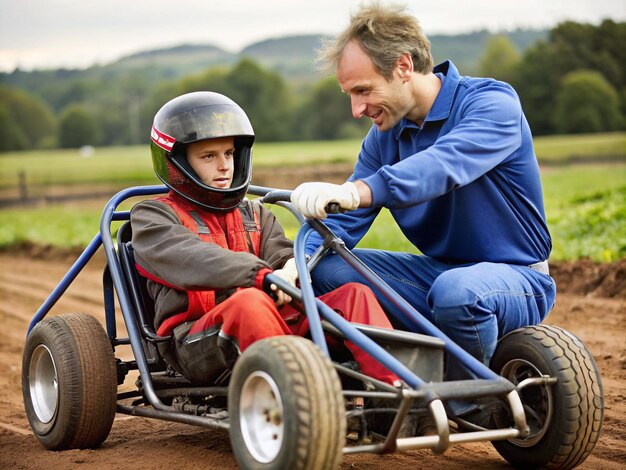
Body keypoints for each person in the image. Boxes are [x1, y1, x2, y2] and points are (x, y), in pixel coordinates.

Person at [290, 2, 556, 421]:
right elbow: (344, 224)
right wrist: (295, 265)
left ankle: (463, 405)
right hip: (437, 275)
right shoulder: (383, 137)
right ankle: (395, 378)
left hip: (516, 277)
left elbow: (442, 166)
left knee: (458, 293)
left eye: (363, 91)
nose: (357, 110)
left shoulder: (491, 103)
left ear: (402, 66)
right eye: (350, 96)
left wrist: (359, 190)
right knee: (325, 270)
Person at [130, 91, 399, 389]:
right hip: (195, 342)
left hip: (269, 327)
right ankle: (305, 398)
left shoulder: (254, 214)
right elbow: (190, 257)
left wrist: (287, 271)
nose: (224, 166)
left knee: (353, 295)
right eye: (208, 156)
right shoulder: (151, 216)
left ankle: (398, 394)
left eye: (229, 154)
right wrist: (260, 277)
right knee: (250, 301)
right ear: (176, 163)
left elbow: (284, 257)